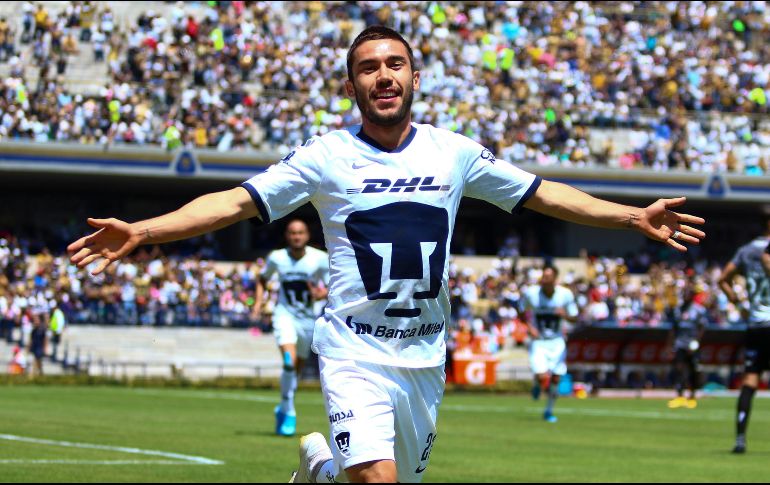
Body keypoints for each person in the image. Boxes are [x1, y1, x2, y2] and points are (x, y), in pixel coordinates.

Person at [67, 26, 705, 484]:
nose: (383, 76)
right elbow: (236, 202)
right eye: (369, 67)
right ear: (351, 85)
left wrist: (629, 215)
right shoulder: (324, 156)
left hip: (425, 360)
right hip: (353, 353)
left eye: (394, 64)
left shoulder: (452, 153)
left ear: (415, 77)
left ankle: (319, 469)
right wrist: (146, 232)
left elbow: (540, 195)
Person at [254, 219, 329, 437]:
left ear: (307, 235)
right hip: (284, 315)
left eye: (300, 232)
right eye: (292, 233)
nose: (296, 236)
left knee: (296, 369)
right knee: (289, 361)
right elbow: (262, 279)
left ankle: (283, 406)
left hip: (308, 320)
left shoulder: (319, 259)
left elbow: (332, 284)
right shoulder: (277, 257)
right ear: (287, 236)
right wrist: (258, 303)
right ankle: (289, 412)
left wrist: (321, 294)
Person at [718, 218, 770, 454]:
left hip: (756, 324)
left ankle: (740, 439)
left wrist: (738, 303)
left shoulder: (746, 251)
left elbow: (723, 279)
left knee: (749, 382)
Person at [520, 265, 578, 423]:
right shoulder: (532, 294)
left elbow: (575, 317)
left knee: (556, 379)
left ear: (555, 279)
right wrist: (529, 326)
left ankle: (548, 411)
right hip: (539, 341)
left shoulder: (565, 295)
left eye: (548, 276)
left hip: (557, 341)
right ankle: (537, 385)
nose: (544, 279)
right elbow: (521, 310)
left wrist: (564, 314)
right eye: (543, 276)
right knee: (541, 376)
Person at [665, 286, 708, 409]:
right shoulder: (678, 310)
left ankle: (692, 396)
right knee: (678, 369)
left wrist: (696, 342)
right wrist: (669, 345)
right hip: (680, 344)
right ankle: (679, 396)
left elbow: (702, 328)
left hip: (692, 345)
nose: (685, 296)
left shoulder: (698, 310)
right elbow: (673, 329)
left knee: (693, 370)